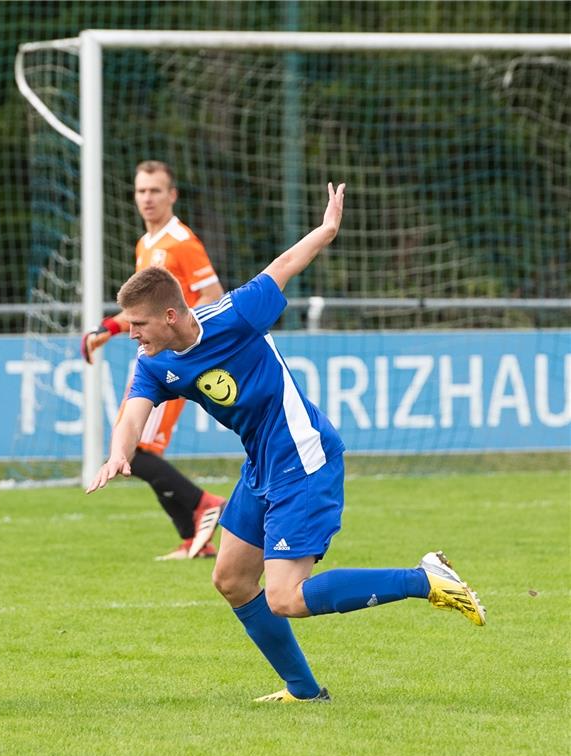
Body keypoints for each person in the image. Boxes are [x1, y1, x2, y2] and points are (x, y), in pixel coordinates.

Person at [87, 183, 486, 702]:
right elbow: (132, 412)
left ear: (170, 315)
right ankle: (304, 690)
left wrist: (326, 230)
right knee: (231, 578)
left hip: (304, 458)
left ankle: (423, 578)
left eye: (137, 325)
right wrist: (120, 452)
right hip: (262, 465)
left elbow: (283, 265)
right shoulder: (154, 362)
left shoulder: (233, 316)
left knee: (284, 597)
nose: (132, 334)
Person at [82, 160, 227, 560]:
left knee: (136, 450)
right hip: (153, 355)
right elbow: (140, 308)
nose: (147, 198)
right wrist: (108, 330)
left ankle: (204, 503)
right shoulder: (146, 245)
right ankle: (191, 538)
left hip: (175, 358)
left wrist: (189, 340)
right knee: (141, 450)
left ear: (172, 195)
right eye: (141, 191)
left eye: (155, 191)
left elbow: (214, 295)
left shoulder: (182, 242)